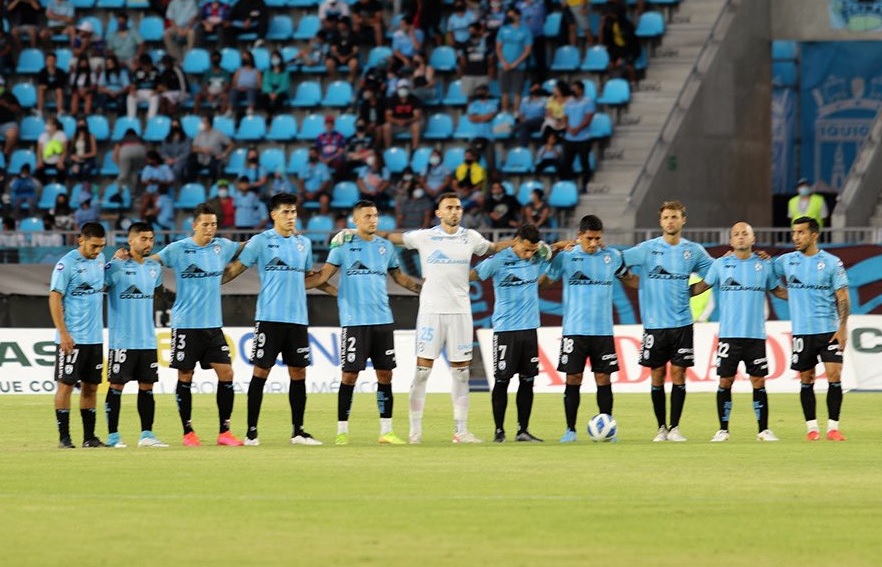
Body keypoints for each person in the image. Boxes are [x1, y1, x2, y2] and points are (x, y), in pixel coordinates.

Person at [334, 193, 512, 443]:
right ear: (439, 213)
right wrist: (351, 232)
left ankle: (461, 431)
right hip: (430, 312)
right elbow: (391, 237)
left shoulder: (471, 237)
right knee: (422, 372)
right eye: (449, 207)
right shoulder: (425, 236)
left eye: (458, 207)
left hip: (460, 312)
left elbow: (493, 248)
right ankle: (415, 432)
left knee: (461, 374)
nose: (455, 211)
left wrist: (520, 242)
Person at [222, 194, 335, 446]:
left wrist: (339, 292)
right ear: (274, 215)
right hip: (270, 318)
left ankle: (298, 431)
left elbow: (307, 279)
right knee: (261, 371)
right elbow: (235, 270)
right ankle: (251, 432)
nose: (291, 216)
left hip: (297, 319)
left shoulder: (303, 243)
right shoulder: (260, 242)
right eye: (285, 212)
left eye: (293, 212)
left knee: (299, 372)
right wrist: (208, 282)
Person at [308, 200, 421, 445]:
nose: (373, 220)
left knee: (386, 375)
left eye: (376, 215)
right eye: (368, 216)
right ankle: (341, 430)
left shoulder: (385, 247)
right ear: (355, 220)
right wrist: (295, 283)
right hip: (354, 322)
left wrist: (424, 289)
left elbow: (400, 278)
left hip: (382, 320)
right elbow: (322, 277)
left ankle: (386, 431)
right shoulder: (343, 246)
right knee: (349, 376)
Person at [148, 203, 245, 446]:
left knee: (227, 373)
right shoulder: (179, 249)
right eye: (205, 224)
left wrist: (271, 235)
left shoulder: (221, 247)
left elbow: (246, 246)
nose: (210, 229)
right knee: (185, 375)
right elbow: (151, 262)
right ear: (194, 225)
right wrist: (128, 256)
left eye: (213, 224)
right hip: (186, 324)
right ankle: (187, 432)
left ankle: (225, 432)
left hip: (213, 325)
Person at [539, 215, 636, 441]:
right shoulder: (565, 257)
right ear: (579, 236)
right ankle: (570, 430)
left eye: (597, 238)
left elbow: (629, 279)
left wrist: (655, 284)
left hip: (602, 331)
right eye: (589, 238)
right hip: (574, 330)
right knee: (573, 379)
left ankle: (608, 427)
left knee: (604, 379)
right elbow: (545, 283)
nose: (593, 243)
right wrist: (548, 255)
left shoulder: (612, 256)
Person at [622, 201, 713, 442]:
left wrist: (693, 290)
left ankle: (674, 428)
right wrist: (633, 281)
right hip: (654, 324)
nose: (670, 221)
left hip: (682, 323)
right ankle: (660, 428)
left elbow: (714, 273)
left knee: (680, 374)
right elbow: (620, 262)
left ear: (683, 220)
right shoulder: (647, 248)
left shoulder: (693, 251)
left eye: (674, 217)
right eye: (666, 217)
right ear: (660, 221)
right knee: (657, 375)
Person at [690, 222, 787, 443]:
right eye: (736, 234)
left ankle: (763, 430)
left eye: (745, 234)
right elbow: (702, 287)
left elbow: (778, 291)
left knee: (759, 382)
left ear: (753, 239)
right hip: (729, 336)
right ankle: (723, 430)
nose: (741, 237)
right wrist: (678, 294)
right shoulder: (721, 264)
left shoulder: (764, 266)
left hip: (755, 336)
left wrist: (803, 297)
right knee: (725, 381)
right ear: (731, 241)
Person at [471, 224, 550, 443]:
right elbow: (473, 275)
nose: (528, 255)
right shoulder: (497, 260)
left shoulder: (537, 255)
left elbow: (552, 249)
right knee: (502, 381)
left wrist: (564, 245)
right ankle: (499, 431)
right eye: (525, 249)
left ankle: (522, 430)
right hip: (506, 330)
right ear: (515, 241)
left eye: (532, 251)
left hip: (530, 329)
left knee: (528, 380)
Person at [773, 217, 850, 441]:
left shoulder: (832, 263)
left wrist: (843, 327)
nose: (795, 237)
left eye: (801, 233)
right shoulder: (786, 261)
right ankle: (812, 429)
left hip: (828, 330)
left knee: (834, 374)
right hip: (802, 331)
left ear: (814, 235)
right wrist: (789, 295)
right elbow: (766, 276)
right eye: (794, 232)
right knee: (806, 378)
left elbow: (842, 296)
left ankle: (833, 428)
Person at [103, 222, 169, 448]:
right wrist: (113, 261)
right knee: (116, 387)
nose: (148, 243)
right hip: (121, 341)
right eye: (143, 239)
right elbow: (98, 288)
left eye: (151, 239)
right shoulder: (115, 266)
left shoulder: (154, 268)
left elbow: (158, 294)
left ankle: (147, 435)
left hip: (147, 340)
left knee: (147, 386)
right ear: (130, 240)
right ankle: (113, 436)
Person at [49, 222, 107, 448]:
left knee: (91, 386)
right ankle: (64, 438)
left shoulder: (100, 260)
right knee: (66, 385)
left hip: (94, 338)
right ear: (80, 240)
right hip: (72, 339)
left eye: (102, 247)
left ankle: (89, 437)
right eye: (94, 246)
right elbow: (54, 297)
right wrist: (63, 333)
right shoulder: (66, 264)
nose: (98, 251)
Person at [495, 6, 532, 113]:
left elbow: (527, 50)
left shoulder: (525, 30)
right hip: (503, 65)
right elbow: (498, 48)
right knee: (504, 91)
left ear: (518, 16)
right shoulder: (503, 29)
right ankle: (505, 112)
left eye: (513, 15)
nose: (510, 17)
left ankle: (516, 112)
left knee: (517, 92)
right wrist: (503, 62)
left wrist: (515, 63)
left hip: (519, 66)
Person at [562, 80, 595, 192]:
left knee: (584, 163)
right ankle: (568, 187)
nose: (572, 90)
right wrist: (568, 128)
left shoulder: (588, 101)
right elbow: (565, 117)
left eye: (575, 88)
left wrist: (578, 128)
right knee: (566, 163)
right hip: (569, 138)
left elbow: (588, 118)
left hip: (583, 138)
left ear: (581, 90)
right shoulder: (568, 102)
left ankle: (585, 185)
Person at [187, 113, 234, 183]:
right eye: (201, 122)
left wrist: (224, 154)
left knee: (214, 168)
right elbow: (194, 148)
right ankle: (192, 185)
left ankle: (213, 185)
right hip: (201, 159)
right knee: (190, 164)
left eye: (204, 122)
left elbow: (231, 144)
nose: (202, 124)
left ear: (209, 123)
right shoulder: (198, 134)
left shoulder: (218, 134)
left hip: (214, 158)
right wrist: (201, 150)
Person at [382, 79, 423, 149]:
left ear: (409, 88)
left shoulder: (414, 99)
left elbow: (417, 116)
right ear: (397, 88)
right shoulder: (392, 99)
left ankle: (414, 149)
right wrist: (397, 121)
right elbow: (387, 116)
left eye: (405, 88)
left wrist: (407, 121)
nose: (403, 89)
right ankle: (388, 149)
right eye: (401, 88)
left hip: (410, 124)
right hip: (396, 125)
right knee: (386, 126)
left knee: (416, 126)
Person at [298, 146, 332, 215]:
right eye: (310, 154)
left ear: (317, 155)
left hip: (319, 192)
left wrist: (316, 193)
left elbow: (326, 182)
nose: (311, 155)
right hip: (306, 192)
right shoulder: (304, 166)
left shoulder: (323, 167)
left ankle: (321, 221)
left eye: (313, 154)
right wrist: (306, 192)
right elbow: (301, 181)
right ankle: (304, 218)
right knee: (294, 201)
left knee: (324, 200)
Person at [126, 53, 160, 118]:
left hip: (151, 92)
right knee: (130, 97)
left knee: (155, 98)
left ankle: (150, 119)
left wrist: (157, 90)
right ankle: (131, 119)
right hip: (139, 91)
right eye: (144, 66)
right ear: (141, 65)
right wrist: (132, 91)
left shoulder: (156, 71)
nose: (146, 67)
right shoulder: (137, 71)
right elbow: (133, 84)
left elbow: (160, 85)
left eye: (148, 65)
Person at [36, 52, 68, 117]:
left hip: (57, 92)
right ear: (46, 61)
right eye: (49, 60)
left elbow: (61, 84)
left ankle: (59, 111)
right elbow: (41, 84)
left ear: (56, 61)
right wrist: (51, 85)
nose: (51, 62)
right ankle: (39, 110)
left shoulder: (60, 72)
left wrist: (49, 85)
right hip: (46, 93)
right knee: (40, 89)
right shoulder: (42, 71)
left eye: (52, 60)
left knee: (59, 90)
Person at [260, 50, 289, 114]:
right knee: (262, 98)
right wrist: (270, 92)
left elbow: (284, 85)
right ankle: (270, 114)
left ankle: (272, 115)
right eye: (273, 58)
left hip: (280, 92)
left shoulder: (285, 72)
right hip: (270, 92)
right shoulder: (268, 72)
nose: (275, 59)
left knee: (279, 99)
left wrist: (276, 93)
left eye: (276, 58)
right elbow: (265, 83)